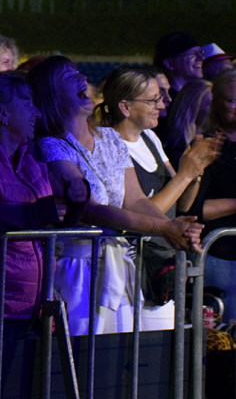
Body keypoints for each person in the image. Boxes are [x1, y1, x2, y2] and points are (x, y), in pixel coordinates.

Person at [27, 56, 204, 335]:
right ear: (51, 94)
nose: (81, 77)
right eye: (68, 76)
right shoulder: (51, 145)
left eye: (78, 72)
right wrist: (165, 227)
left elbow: (135, 200)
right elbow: (89, 208)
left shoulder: (110, 138)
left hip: (119, 265)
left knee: (117, 364)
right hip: (77, 270)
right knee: (81, 360)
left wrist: (176, 229)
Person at [0, 73, 81, 347]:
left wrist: (77, 196)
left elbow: (59, 213)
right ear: (1, 113)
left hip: (36, 306)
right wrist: (35, 215)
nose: (36, 112)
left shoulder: (30, 159)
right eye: (27, 103)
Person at [97, 67, 221, 320]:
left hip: (164, 259)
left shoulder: (151, 139)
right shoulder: (109, 144)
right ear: (125, 106)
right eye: (153, 100)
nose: (162, 105)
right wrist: (185, 174)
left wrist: (196, 169)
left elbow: (183, 203)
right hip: (135, 265)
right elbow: (138, 209)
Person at [199, 69, 236, 321]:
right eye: (232, 100)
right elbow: (193, 208)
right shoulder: (207, 144)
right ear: (216, 104)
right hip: (219, 254)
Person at [153, 32, 203, 100]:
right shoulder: (164, 101)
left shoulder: (203, 96)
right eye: (192, 53)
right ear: (169, 64)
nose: (201, 58)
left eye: (201, 52)